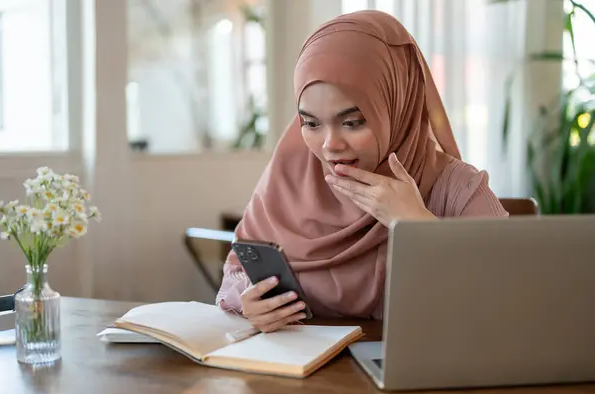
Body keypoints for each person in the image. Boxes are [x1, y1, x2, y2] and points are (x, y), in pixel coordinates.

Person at [216, 10, 508, 333]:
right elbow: (238, 272)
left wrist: (418, 225)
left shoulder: (457, 189)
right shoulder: (289, 173)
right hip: (301, 378)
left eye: (352, 122)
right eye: (310, 123)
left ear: (397, 104)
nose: (330, 145)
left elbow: (513, 297)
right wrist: (250, 304)